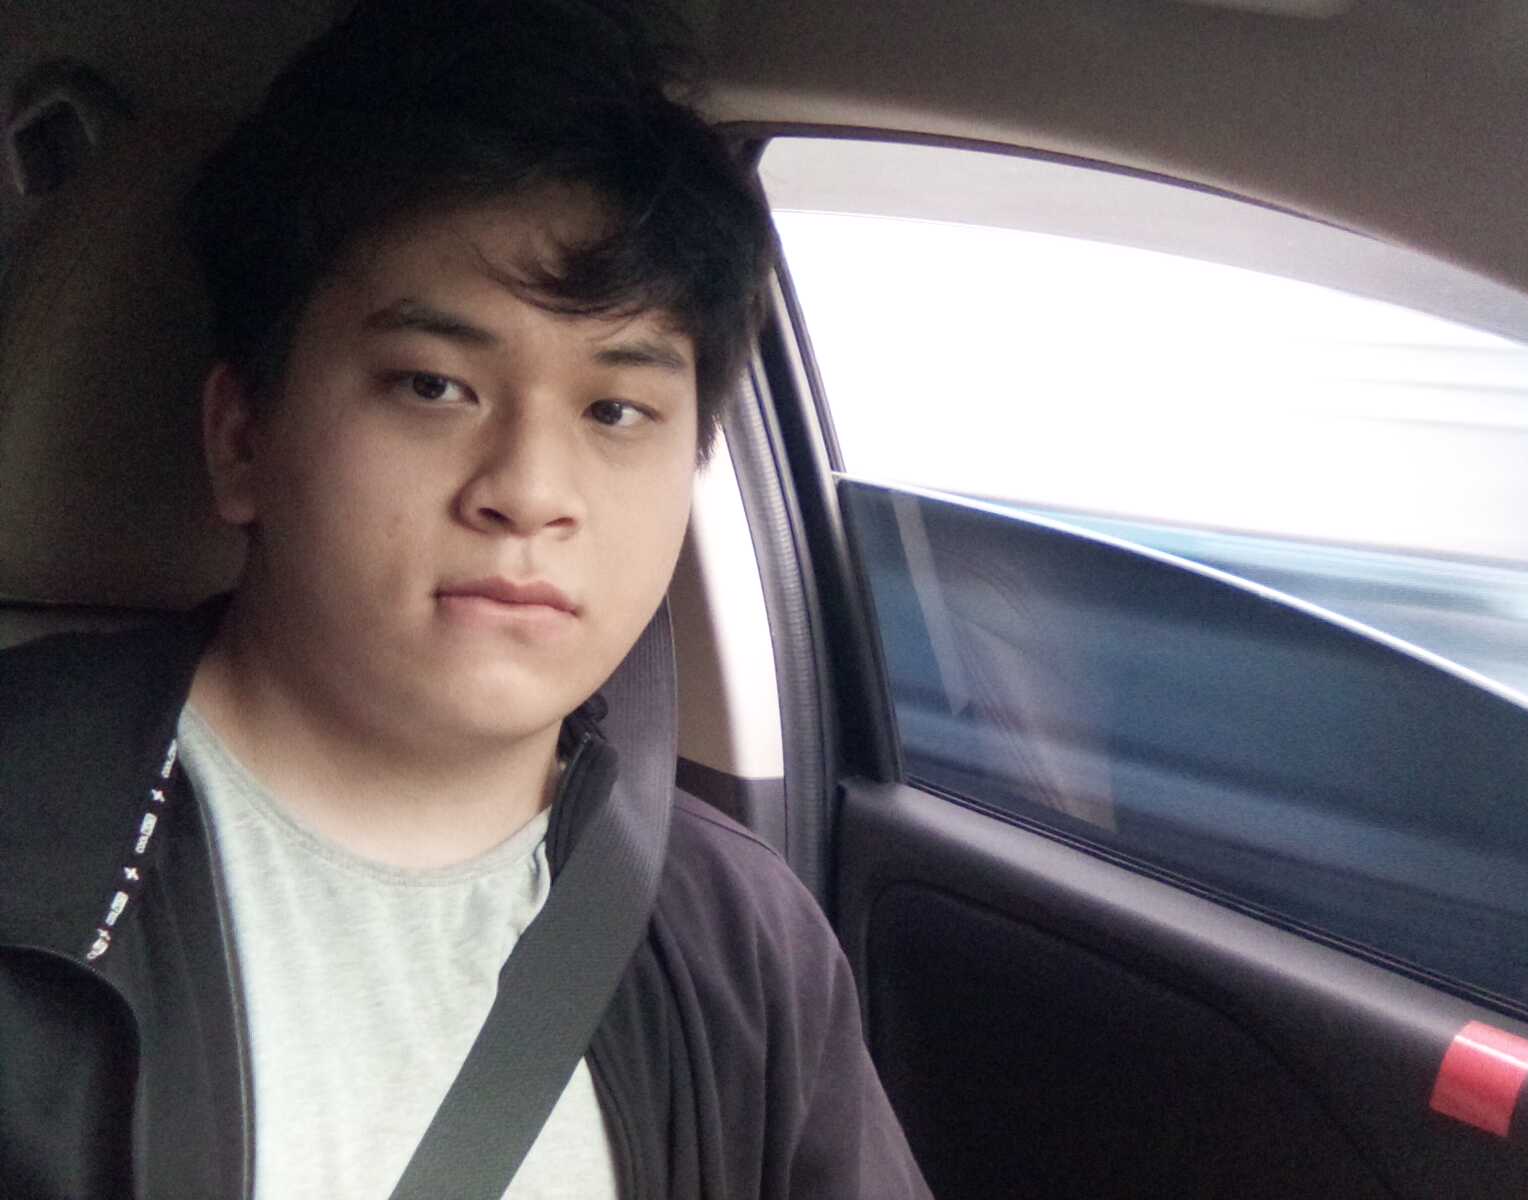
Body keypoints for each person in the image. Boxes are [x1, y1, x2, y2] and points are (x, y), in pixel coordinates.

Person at [0, 2, 933, 1196]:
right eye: (434, 386)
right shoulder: (29, 830)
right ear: (242, 438)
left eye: (615, 411)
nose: (529, 492)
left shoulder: (742, 943)